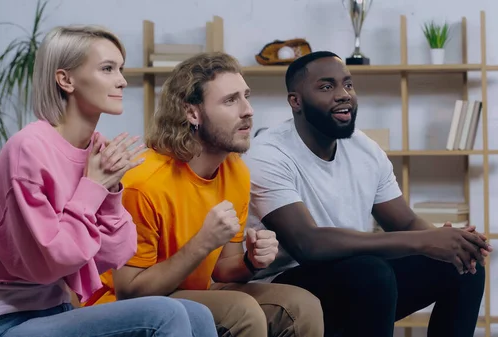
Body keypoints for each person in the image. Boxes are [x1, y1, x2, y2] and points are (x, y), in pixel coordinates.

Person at [0, 25, 217, 337]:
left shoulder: (95, 149)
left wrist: (110, 192)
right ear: (65, 80)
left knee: (197, 314)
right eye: (108, 69)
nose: (121, 80)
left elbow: (114, 255)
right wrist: (93, 188)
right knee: (165, 313)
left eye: (119, 69)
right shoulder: (29, 149)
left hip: (55, 311)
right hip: (5, 321)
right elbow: (49, 263)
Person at [243, 51, 493, 337]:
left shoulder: (365, 148)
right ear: (295, 101)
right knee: (370, 272)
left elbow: (406, 223)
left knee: (462, 269)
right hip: (287, 282)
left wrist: (451, 244)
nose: (343, 95)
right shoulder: (267, 154)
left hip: (360, 276)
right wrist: (424, 241)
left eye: (348, 84)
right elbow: (307, 243)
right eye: (327, 87)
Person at [83, 51, 324, 337]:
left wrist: (251, 261)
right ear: (192, 113)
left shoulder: (235, 171)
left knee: (302, 305)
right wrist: (202, 243)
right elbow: (130, 290)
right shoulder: (143, 183)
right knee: (241, 311)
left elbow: (223, 268)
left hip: (192, 293)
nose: (248, 110)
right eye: (230, 100)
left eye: (246, 96)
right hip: (121, 308)